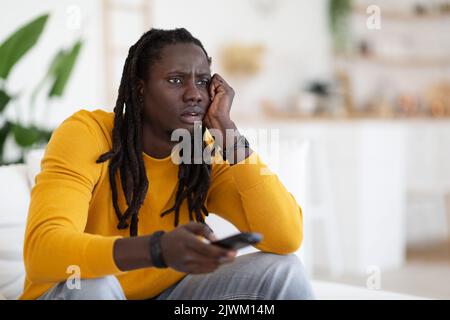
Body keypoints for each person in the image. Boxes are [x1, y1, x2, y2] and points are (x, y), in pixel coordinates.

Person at [20, 28, 314, 300]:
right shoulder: (86, 133)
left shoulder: (201, 154)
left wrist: (229, 134)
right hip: (74, 293)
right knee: (95, 284)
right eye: (175, 80)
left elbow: (286, 238)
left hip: (169, 295)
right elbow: (42, 251)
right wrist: (156, 249)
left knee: (283, 270)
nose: (195, 94)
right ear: (139, 89)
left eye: (202, 81)